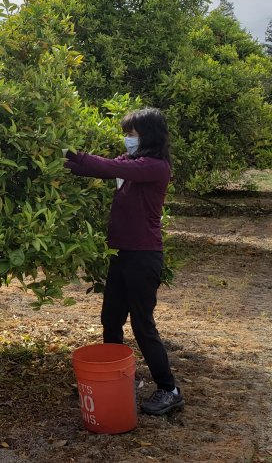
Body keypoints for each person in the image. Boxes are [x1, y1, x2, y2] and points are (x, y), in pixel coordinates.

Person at [64, 107, 184, 416]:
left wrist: (71, 152)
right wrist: (59, 159)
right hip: (120, 254)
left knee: (143, 326)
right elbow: (95, 167)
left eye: (131, 134)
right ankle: (118, 378)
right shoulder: (131, 163)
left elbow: (104, 167)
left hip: (144, 257)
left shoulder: (155, 167)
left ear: (148, 136)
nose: (126, 140)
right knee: (111, 319)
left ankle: (169, 389)